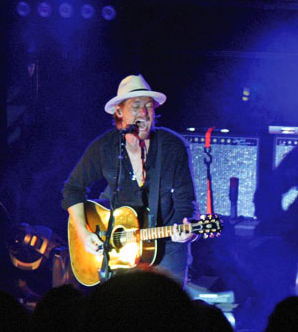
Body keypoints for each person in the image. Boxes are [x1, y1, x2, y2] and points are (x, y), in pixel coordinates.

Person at [62, 74, 198, 286]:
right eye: (136, 106)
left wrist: (186, 229)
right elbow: (73, 189)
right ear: (119, 111)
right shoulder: (105, 147)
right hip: (119, 255)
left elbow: (186, 201)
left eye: (148, 106)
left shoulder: (172, 146)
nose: (143, 113)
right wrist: (84, 232)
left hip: (166, 250)